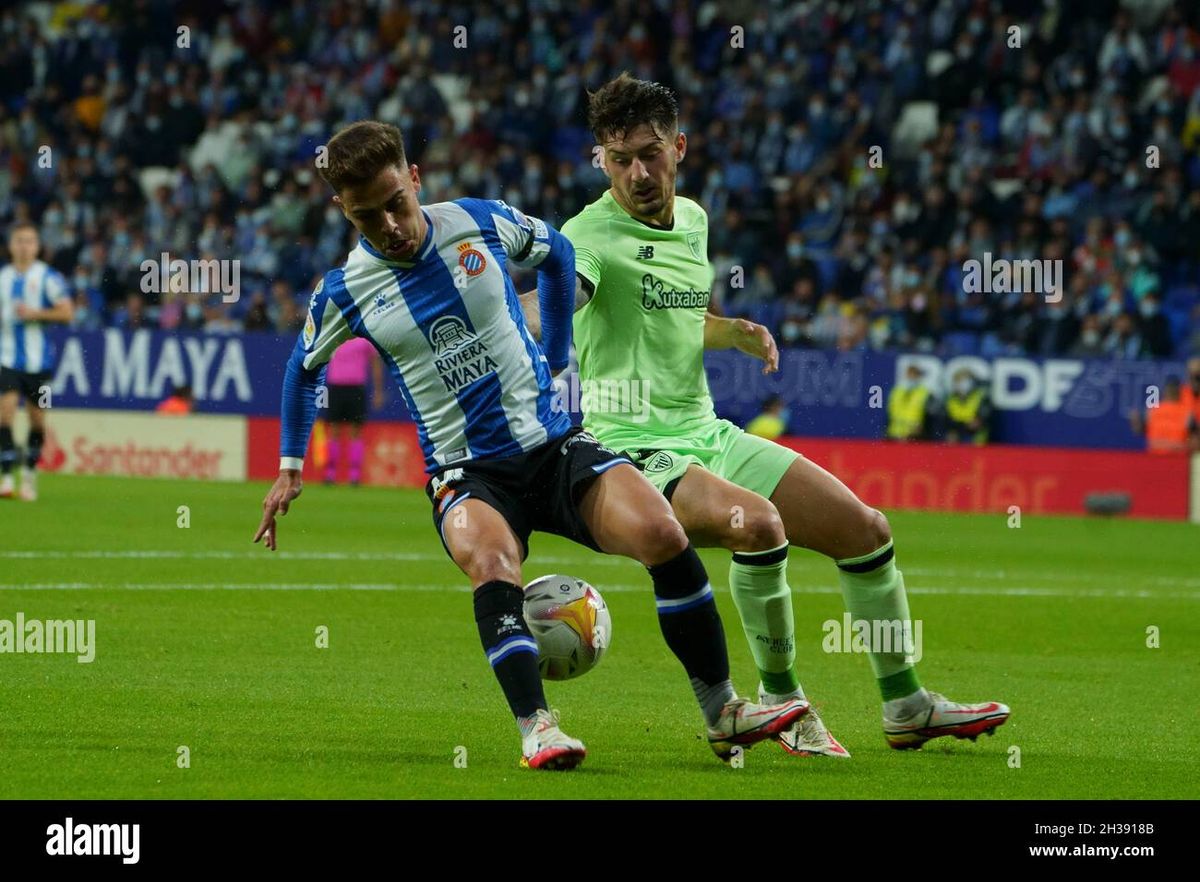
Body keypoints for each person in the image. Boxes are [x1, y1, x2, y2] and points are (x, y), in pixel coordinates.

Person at [251, 120, 806, 771]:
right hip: (468, 473)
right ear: (344, 209)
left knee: (663, 532)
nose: (390, 225)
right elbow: (301, 369)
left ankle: (723, 712)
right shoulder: (346, 289)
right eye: (367, 216)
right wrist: (290, 467)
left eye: (396, 203)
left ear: (415, 180)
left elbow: (559, 256)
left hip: (555, 446)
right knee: (492, 563)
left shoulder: (478, 222)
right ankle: (538, 727)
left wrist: (562, 357)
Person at [524, 74, 1008, 755]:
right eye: (619, 157)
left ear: (680, 147)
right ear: (601, 160)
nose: (637, 172)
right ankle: (784, 701)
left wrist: (730, 331)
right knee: (755, 524)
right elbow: (559, 302)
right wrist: (502, 321)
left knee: (866, 530)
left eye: (650, 153)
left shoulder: (692, 219)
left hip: (707, 430)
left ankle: (907, 703)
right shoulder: (588, 235)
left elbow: (672, 316)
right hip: (631, 444)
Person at [0, 223, 74, 501]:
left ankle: (29, 475)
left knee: (38, 421)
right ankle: (6, 477)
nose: (24, 246)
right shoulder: (3, 278)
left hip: (40, 364)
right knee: (4, 413)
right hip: (6, 359)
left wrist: (35, 313)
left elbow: (67, 313)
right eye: (19, 240)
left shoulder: (49, 278)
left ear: (37, 246)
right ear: (10, 245)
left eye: (29, 241)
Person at [321, 336, 384, 484]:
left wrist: (378, 390)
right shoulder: (333, 336)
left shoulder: (363, 338)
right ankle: (330, 473)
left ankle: (354, 475)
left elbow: (375, 363)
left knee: (356, 432)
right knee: (333, 430)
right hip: (335, 388)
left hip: (356, 389)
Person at [886, 363, 935, 441]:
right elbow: (890, 412)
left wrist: (922, 430)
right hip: (894, 433)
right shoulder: (897, 391)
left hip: (914, 435)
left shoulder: (924, 393)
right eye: (910, 374)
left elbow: (931, 415)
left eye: (915, 374)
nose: (912, 377)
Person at [943, 368, 991, 445]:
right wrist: (952, 431)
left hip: (975, 435)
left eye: (965, 381)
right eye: (959, 381)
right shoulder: (950, 399)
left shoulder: (980, 397)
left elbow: (983, 417)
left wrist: (978, 421)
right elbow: (945, 419)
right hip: (956, 433)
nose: (962, 384)